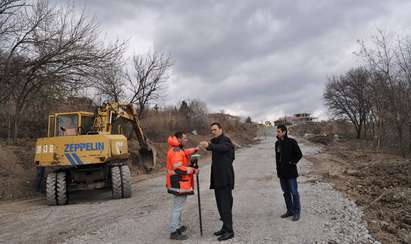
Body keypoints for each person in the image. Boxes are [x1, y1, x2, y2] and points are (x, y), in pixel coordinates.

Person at [199, 122, 235, 241]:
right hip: (218, 179)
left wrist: (208, 145)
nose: (213, 132)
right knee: (220, 205)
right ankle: (225, 227)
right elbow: (213, 144)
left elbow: (222, 148)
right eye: (212, 130)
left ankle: (229, 231)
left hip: (225, 179)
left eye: (215, 129)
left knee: (225, 205)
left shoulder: (226, 141)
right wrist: (205, 144)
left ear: (220, 129)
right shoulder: (216, 141)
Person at [166, 132, 199, 240]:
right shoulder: (176, 151)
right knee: (177, 208)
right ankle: (174, 231)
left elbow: (185, 152)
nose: (187, 140)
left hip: (177, 182)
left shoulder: (178, 149)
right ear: (179, 139)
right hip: (178, 183)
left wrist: (196, 149)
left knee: (178, 207)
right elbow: (178, 168)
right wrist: (193, 170)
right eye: (185, 138)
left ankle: (178, 227)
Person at [275, 124, 303, 221]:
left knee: (294, 192)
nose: (277, 133)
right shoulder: (277, 144)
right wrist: (278, 171)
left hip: (291, 173)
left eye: (279, 131)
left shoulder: (292, 142)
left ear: (284, 132)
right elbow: (277, 159)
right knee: (286, 193)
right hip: (282, 173)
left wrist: (292, 162)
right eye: (277, 131)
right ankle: (290, 210)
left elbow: (299, 154)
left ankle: (297, 212)